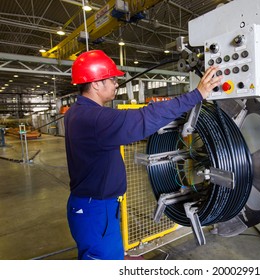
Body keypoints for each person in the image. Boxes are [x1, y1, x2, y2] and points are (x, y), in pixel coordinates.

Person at [64, 49, 221, 260]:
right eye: (111, 79)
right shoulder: (95, 119)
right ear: (96, 84)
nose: (115, 84)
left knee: (105, 255)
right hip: (96, 211)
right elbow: (145, 119)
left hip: (95, 206)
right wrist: (196, 94)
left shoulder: (76, 112)